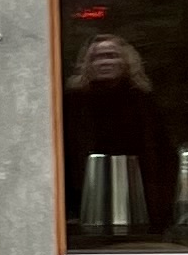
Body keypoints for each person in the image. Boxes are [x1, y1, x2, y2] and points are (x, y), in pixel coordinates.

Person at [64, 30, 176, 232]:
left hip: (139, 201)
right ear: (87, 64)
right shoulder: (72, 103)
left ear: (126, 62)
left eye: (111, 55)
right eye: (97, 57)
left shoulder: (144, 102)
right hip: (83, 200)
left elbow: (162, 156)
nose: (104, 62)